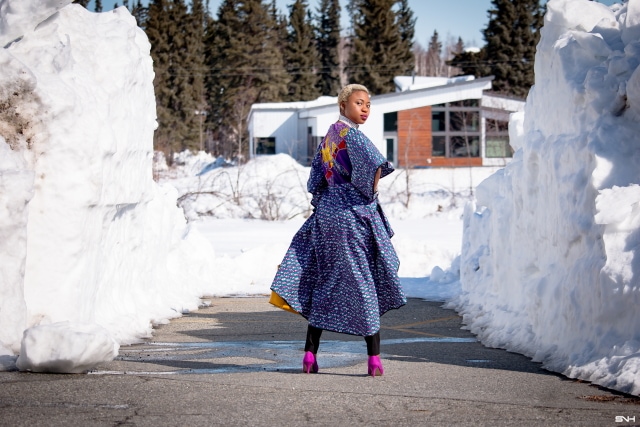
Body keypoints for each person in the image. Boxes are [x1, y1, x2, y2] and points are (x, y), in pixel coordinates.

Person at [270, 84, 406, 377]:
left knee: (327, 282)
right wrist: (369, 194)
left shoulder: (329, 137)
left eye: (368, 104)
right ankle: (374, 359)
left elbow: (315, 181)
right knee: (363, 280)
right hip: (350, 217)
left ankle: (309, 355)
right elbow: (375, 166)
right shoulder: (354, 137)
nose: (365, 109)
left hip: (327, 216)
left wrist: (327, 201)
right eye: (359, 103)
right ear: (343, 105)